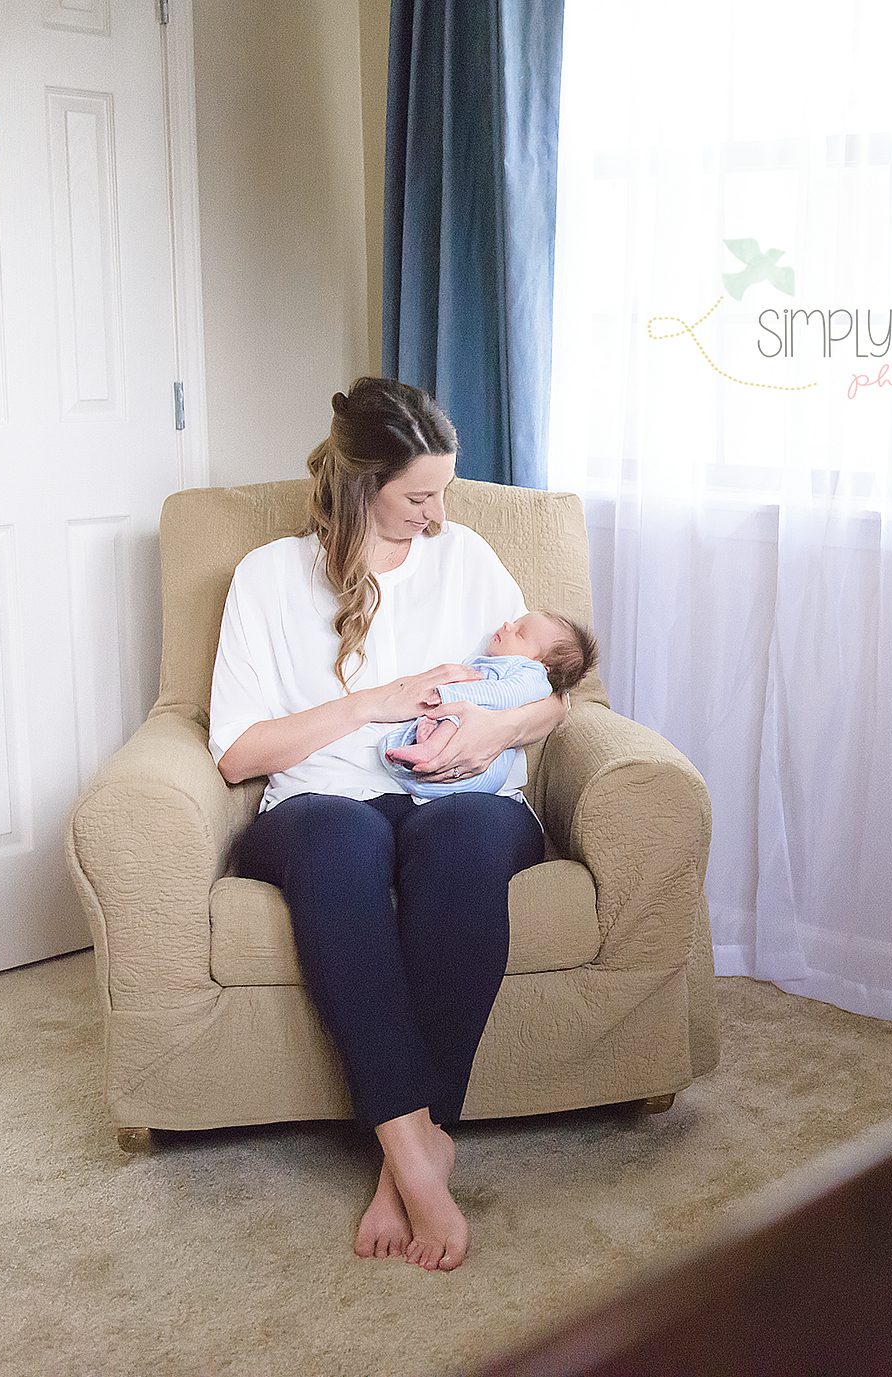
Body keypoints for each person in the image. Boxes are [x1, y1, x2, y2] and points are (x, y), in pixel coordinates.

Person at [207, 377, 570, 1271]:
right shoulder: (266, 578)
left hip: (465, 799)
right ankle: (417, 1151)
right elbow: (237, 754)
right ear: (361, 483)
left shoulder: (470, 557)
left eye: (443, 491)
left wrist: (496, 727)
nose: (438, 514)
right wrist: (373, 703)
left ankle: (401, 1158)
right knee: (343, 839)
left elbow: (552, 699)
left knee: (463, 841)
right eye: (418, 496)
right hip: (317, 801)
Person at [379, 611, 599, 798]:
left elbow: (501, 695)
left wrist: (447, 693)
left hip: (482, 774)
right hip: (458, 775)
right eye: (515, 622)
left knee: (465, 712)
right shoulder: (503, 665)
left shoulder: (532, 675)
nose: (507, 625)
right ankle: (427, 746)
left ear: (543, 665)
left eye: (520, 633)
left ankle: (429, 749)